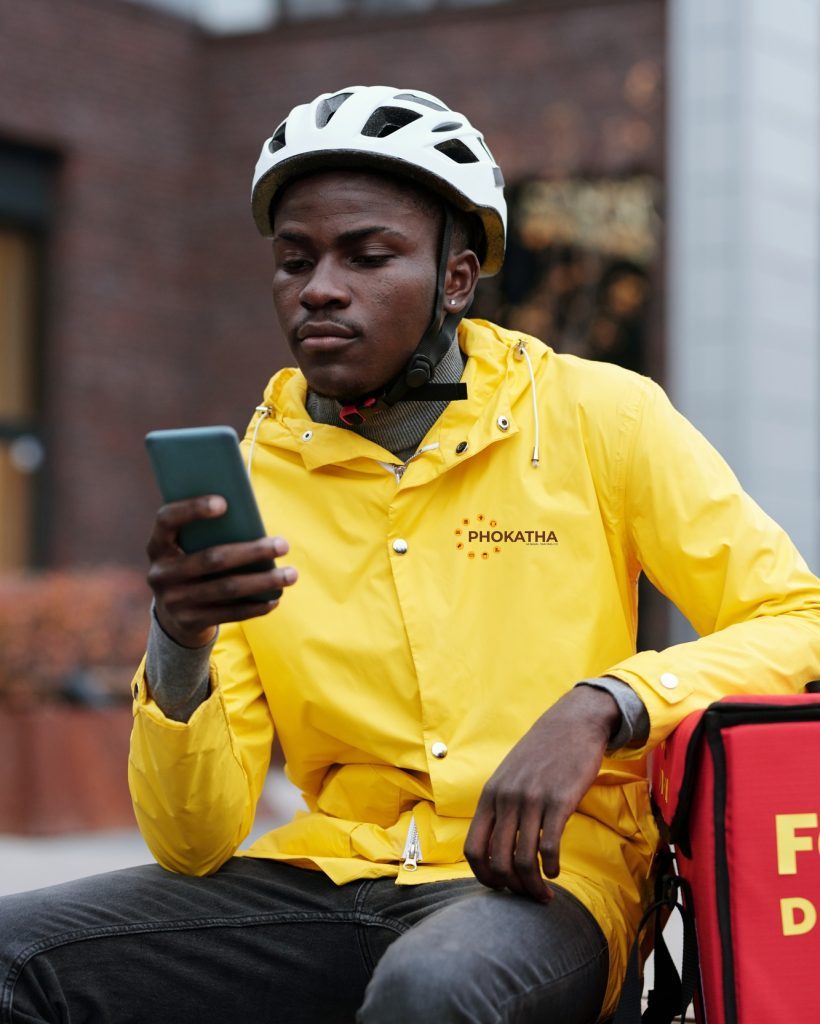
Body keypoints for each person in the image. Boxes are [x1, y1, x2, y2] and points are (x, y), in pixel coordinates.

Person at [2, 85, 819, 1024]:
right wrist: (178, 641)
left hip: (545, 879)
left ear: (457, 279)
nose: (319, 286)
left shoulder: (602, 416)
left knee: (434, 992)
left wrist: (611, 704)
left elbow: (799, 618)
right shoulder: (251, 479)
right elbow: (194, 843)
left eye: (369, 254)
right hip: (323, 871)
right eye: (295, 260)